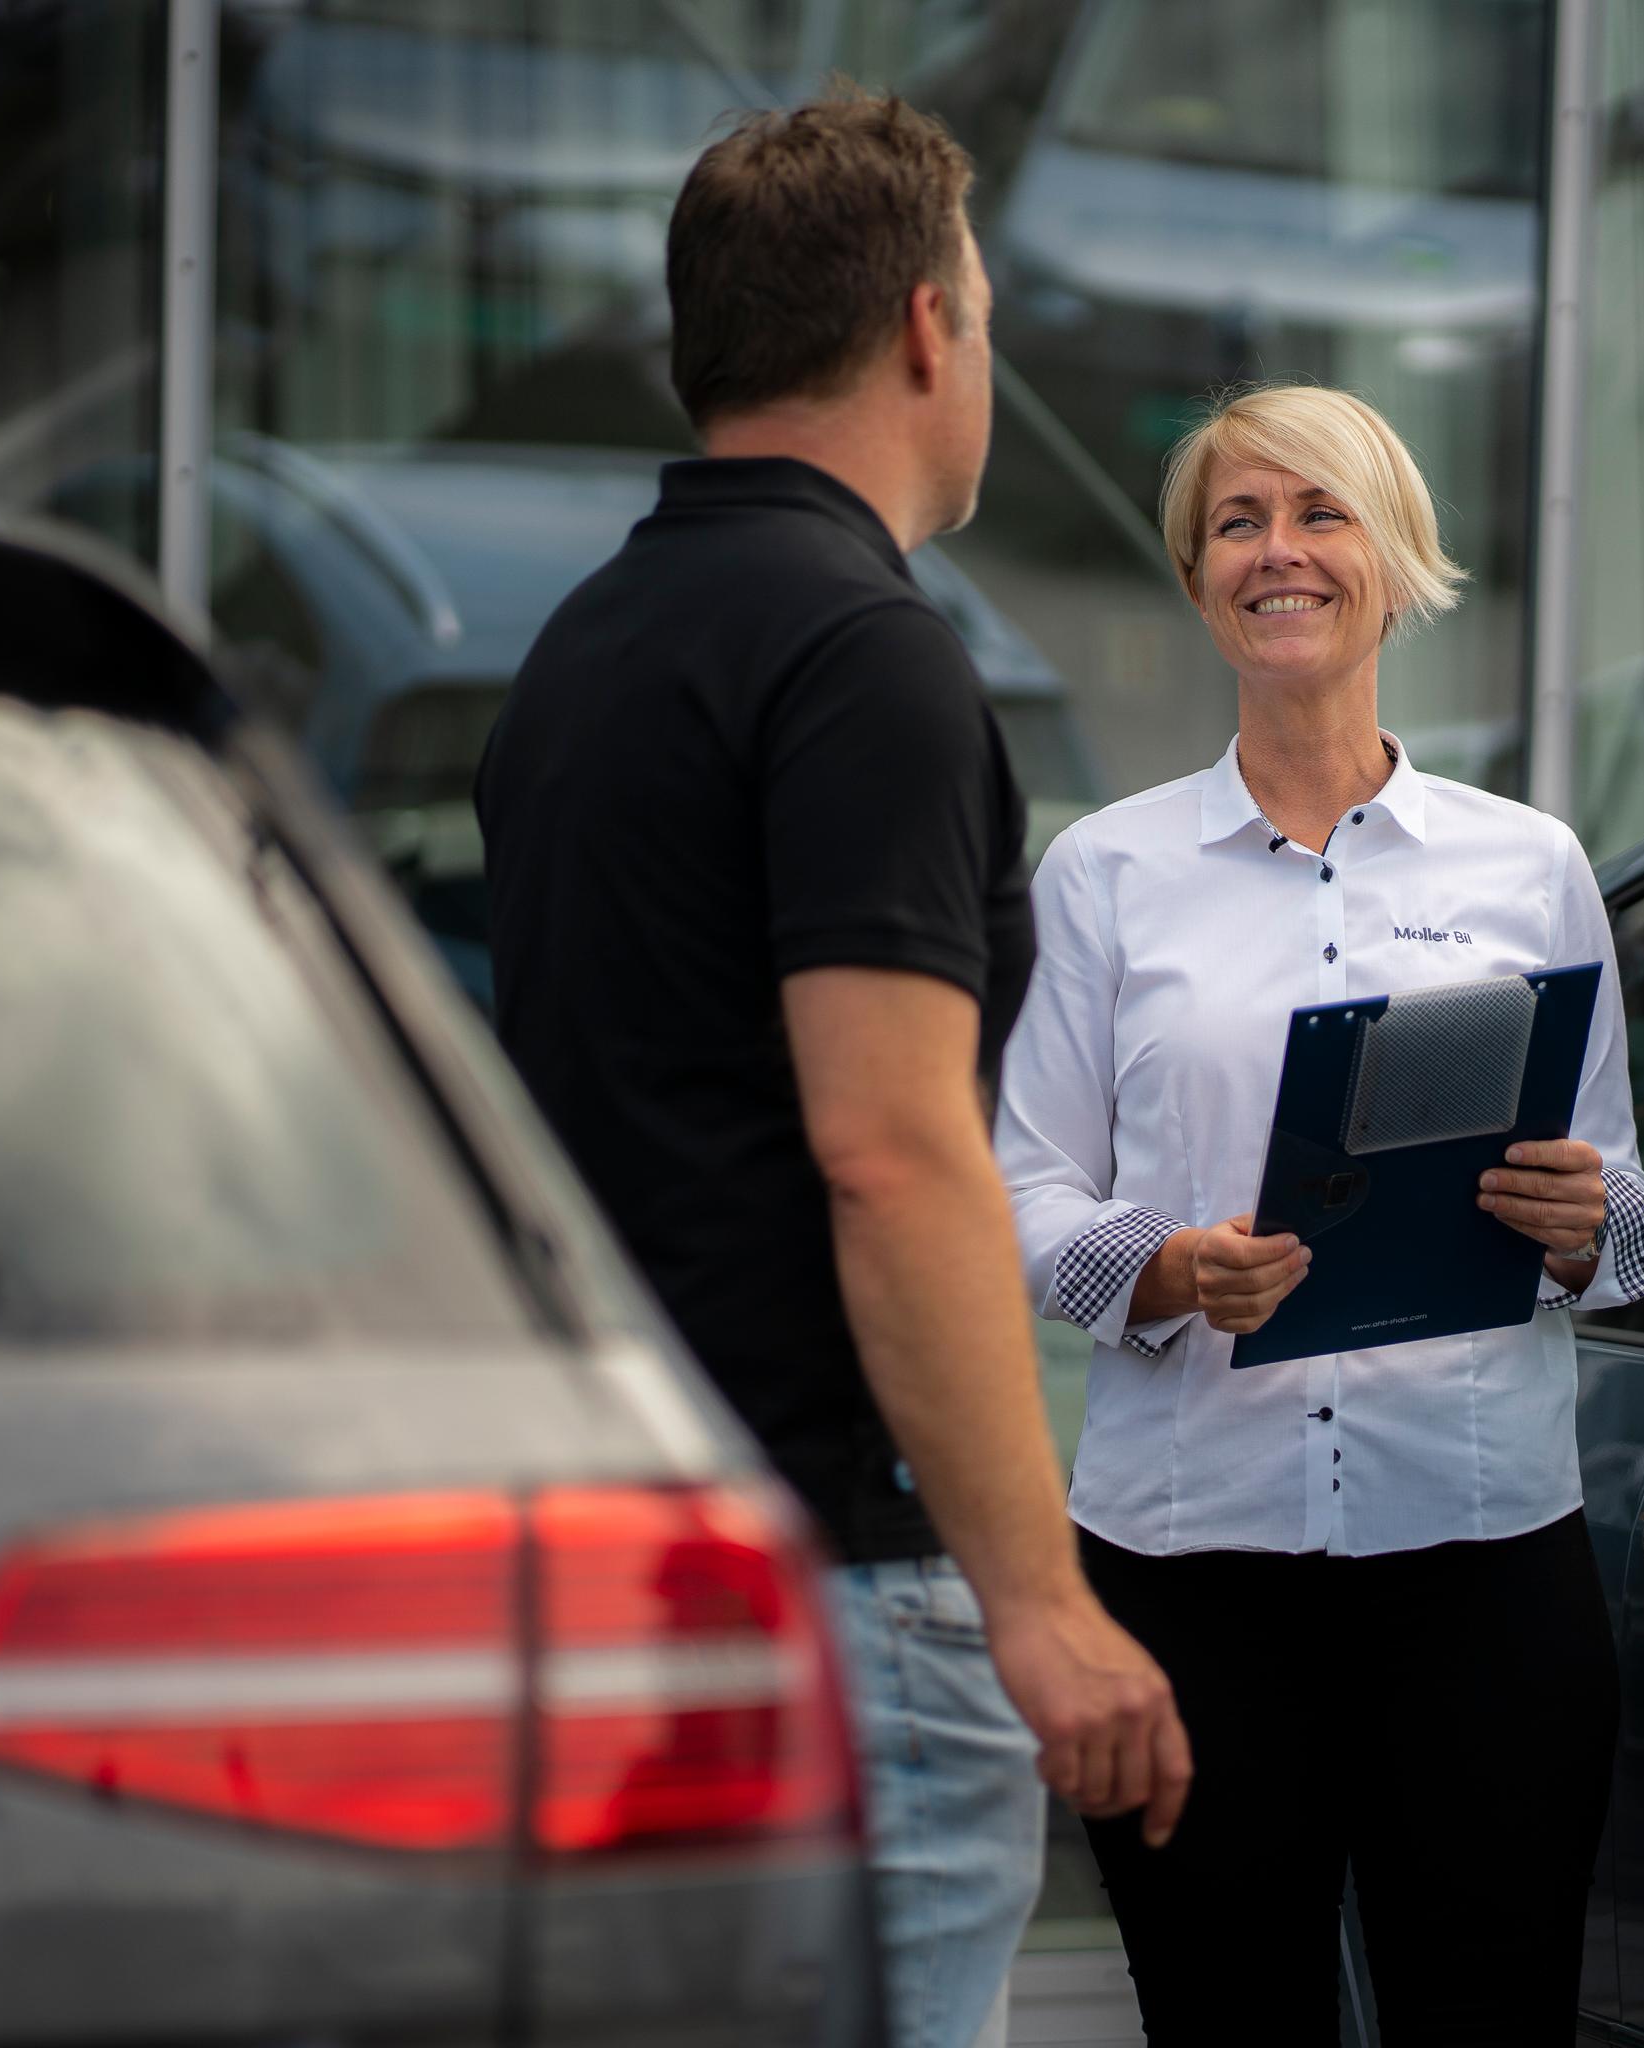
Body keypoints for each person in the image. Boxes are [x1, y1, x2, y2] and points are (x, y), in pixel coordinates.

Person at [475, 88, 1189, 2048]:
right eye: (983, 309)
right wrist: (1038, 1603)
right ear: (925, 333)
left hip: (644, 1559)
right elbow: (887, 1147)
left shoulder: (587, 651)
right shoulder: (863, 653)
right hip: (838, 1604)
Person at [995, 380, 1644, 2044]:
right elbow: (1017, 1195)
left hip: (1487, 1567)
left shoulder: (1530, 867)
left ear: (1394, 556)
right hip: (1189, 1575)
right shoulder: (1106, 876)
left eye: (1319, 513)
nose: (1277, 551)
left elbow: (1628, 1205)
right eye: (1238, 520)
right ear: (1199, 574)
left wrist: (1586, 1224)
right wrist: (1157, 1263)